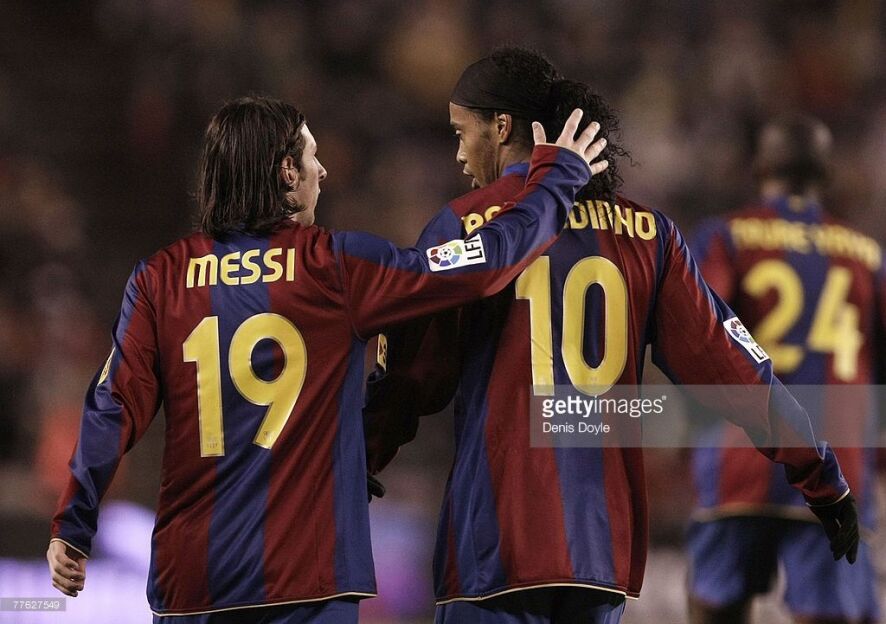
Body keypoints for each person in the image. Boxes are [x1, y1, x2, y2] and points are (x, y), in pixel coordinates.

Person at [45, 94, 610, 623]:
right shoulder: (335, 267)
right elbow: (479, 264)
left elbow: (111, 405)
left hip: (192, 582)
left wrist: (74, 520)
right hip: (307, 582)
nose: (323, 170)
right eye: (312, 155)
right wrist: (556, 180)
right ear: (287, 173)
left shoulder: (159, 279)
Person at [363, 48, 859, 624]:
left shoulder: (465, 225)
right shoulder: (649, 236)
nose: (458, 153)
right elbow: (736, 369)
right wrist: (819, 472)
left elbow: (411, 374)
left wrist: (363, 456)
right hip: (599, 554)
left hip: (494, 547)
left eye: (461, 132)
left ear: (501, 128)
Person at [686, 114, 881, 624]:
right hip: (838, 460)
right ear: (827, 174)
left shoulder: (725, 236)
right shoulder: (866, 254)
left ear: (759, 167)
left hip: (740, 452)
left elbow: (697, 328)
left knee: (715, 605)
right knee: (830, 613)